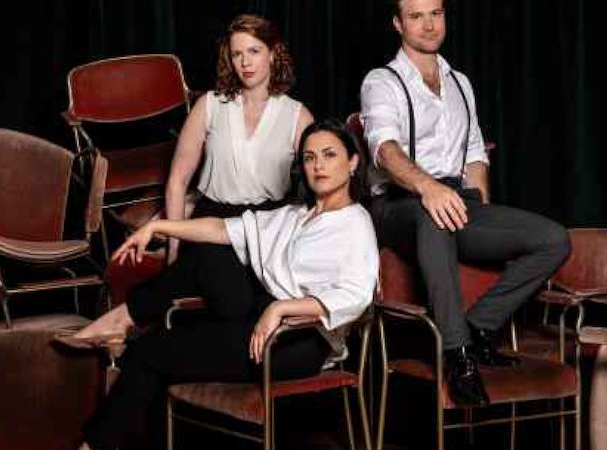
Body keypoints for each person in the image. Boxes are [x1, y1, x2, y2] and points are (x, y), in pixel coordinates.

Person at [56, 119, 379, 450]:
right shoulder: (295, 215)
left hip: (296, 340)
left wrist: (281, 308)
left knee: (149, 351)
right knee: (211, 251)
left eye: (329, 155)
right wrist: (157, 228)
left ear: (352, 162)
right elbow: (221, 228)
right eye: (310, 158)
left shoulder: (355, 223)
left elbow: (357, 295)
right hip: (255, 314)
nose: (319, 165)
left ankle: (94, 442)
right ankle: (126, 318)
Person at [360, 0, 571, 407]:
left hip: (456, 198)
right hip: (398, 204)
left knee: (553, 239)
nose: (427, 25)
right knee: (433, 212)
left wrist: (481, 211)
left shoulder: (460, 82)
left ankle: (479, 328)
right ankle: (457, 355)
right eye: (416, 16)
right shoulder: (381, 81)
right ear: (397, 24)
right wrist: (427, 187)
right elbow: (383, 150)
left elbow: (474, 153)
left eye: (435, 13)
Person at [165, 13, 314, 263]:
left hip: (268, 225)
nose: (245, 62)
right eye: (237, 54)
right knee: (227, 290)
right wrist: (173, 249)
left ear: (273, 53)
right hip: (212, 218)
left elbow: (322, 182)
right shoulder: (209, 105)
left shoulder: (297, 115)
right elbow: (177, 181)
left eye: (254, 51)